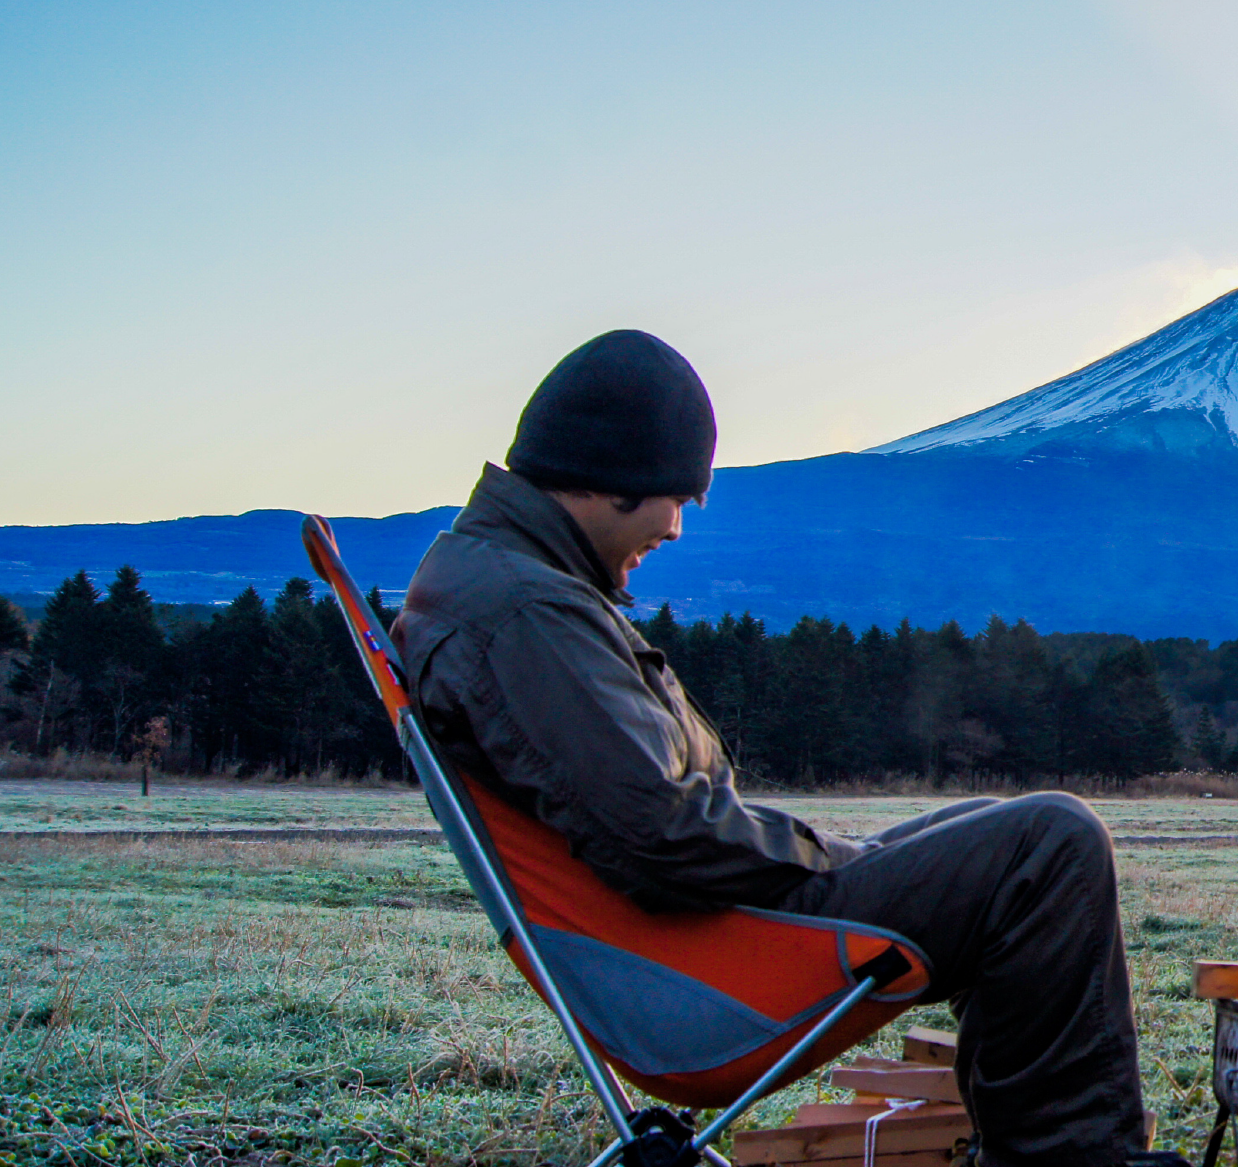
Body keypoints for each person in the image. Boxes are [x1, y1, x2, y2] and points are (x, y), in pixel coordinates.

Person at [393, 330, 1164, 1167]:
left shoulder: (504, 581)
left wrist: (838, 854)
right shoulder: (525, 613)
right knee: (1050, 844)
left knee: (998, 825)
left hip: (692, 930)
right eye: (675, 496)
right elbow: (663, 830)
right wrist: (822, 855)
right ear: (613, 477)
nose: (679, 527)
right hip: (704, 957)